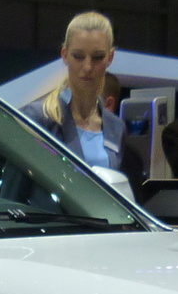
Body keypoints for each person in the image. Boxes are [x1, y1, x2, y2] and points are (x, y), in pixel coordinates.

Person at [22, 11, 145, 193]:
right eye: (79, 56)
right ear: (65, 55)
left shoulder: (115, 127)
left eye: (98, 57)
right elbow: (13, 193)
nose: (87, 67)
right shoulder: (38, 118)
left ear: (110, 57)